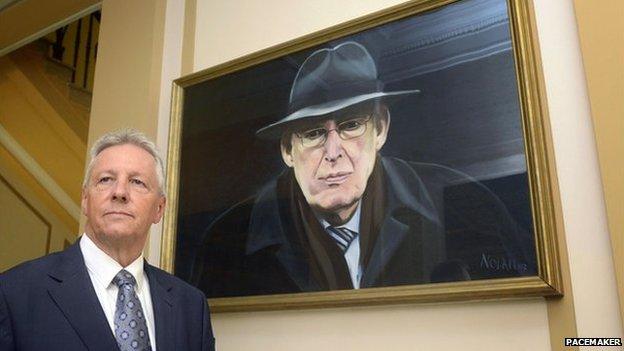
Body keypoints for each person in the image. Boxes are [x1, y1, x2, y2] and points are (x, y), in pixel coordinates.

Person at [192, 41, 533, 298]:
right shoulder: (229, 241)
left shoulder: (467, 207)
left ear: (381, 129)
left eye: (351, 124)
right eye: (312, 133)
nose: (333, 153)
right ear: (287, 149)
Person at [0, 130, 215, 351]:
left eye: (137, 182)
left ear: (159, 209)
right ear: (85, 200)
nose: (120, 192)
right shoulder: (13, 293)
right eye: (106, 180)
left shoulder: (191, 307)